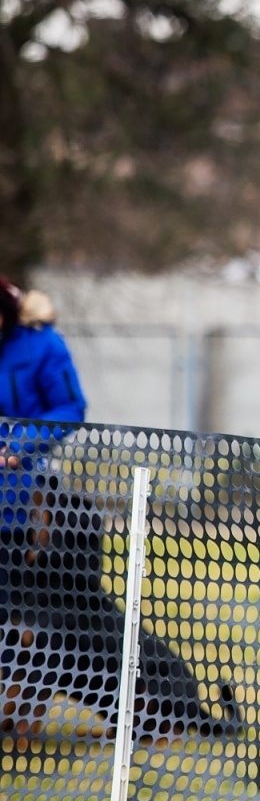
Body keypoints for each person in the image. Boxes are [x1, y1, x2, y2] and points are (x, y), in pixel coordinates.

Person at [0, 280, 88, 743]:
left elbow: (72, 407)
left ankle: (19, 714)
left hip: (17, 506)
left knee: (20, 620)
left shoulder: (41, 345)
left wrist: (21, 445)